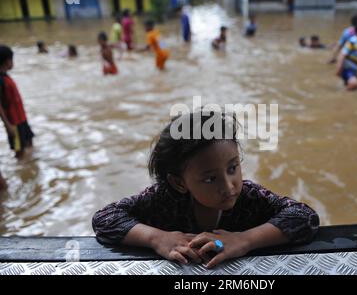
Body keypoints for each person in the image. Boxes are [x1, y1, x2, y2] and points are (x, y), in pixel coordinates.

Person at [92, 110, 319, 268]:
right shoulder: (163, 198)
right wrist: (156, 238)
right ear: (179, 183)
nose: (229, 185)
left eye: (233, 167)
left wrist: (244, 240)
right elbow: (105, 218)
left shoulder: (249, 197)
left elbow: (305, 218)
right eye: (211, 179)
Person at [0, 45, 35, 159]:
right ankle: (22, 170)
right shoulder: (1, 80)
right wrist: (8, 125)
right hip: (13, 122)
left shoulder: (5, 77)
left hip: (21, 119)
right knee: (19, 152)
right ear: (7, 61)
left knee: (29, 144)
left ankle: (28, 167)